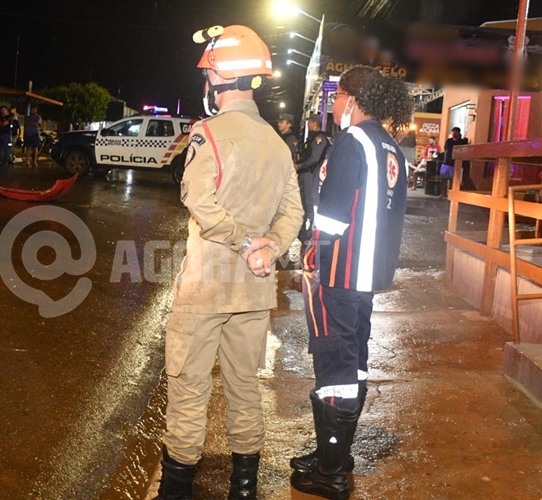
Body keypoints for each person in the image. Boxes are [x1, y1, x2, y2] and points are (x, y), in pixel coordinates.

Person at [156, 24, 303, 500]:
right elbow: (294, 213)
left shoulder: (209, 134)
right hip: (255, 292)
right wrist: (269, 246)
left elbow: (199, 203)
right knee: (244, 390)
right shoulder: (278, 144)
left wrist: (243, 241)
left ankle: (176, 491)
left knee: (188, 392)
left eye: (209, 72)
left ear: (218, 75)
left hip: (206, 290)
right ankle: (244, 489)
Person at [290, 65, 412, 500]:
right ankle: (334, 456)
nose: (335, 106)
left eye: (338, 97)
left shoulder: (351, 142)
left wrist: (310, 254)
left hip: (339, 273)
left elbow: (333, 216)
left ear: (353, 100)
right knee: (353, 360)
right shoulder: (390, 146)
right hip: (368, 275)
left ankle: (330, 473)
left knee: (333, 363)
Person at [295, 115, 331, 241]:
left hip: (311, 174)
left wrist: (299, 166)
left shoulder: (319, 138)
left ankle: (309, 232)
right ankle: (304, 230)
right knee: (304, 203)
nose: (308, 124)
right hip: (306, 173)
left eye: (310, 122)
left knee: (309, 204)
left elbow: (314, 158)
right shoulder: (311, 138)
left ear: (315, 123)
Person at [440, 127, 469, 198]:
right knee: (444, 179)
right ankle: (442, 194)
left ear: (459, 133)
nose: (454, 133)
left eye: (455, 132)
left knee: (454, 180)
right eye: (453, 132)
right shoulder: (449, 141)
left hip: (456, 163)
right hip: (447, 162)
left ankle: (451, 195)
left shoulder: (462, 142)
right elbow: (446, 149)